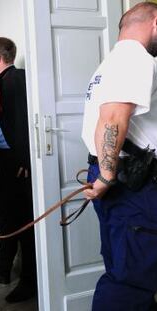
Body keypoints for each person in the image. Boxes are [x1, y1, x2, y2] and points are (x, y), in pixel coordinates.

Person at [81, 3, 157, 310]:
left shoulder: (113, 61)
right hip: (130, 183)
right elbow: (112, 119)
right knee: (133, 279)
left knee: (127, 269)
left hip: (123, 180)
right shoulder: (134, 58)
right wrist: (107, 175)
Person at [0, 37, 36, 303]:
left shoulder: (15, 80)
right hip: (3, 159)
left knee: (24, 222)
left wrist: (25, 161)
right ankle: (4, 269)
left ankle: (29, 282)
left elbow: (23, 122)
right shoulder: (1, 83)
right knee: (6, 217)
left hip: (16, 162)